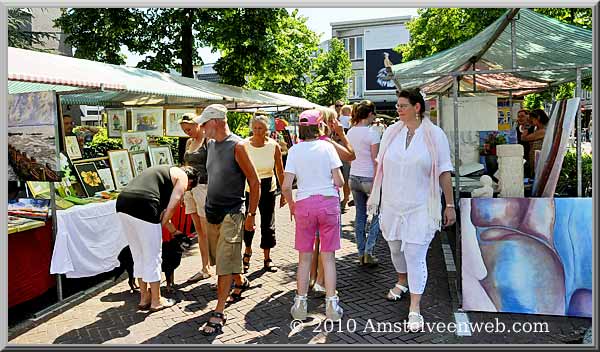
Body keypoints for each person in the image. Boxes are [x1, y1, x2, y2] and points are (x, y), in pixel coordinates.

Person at [367, 88, 455, 332]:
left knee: (415, 255)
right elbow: (381, 166)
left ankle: (414, 308)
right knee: (395, 247)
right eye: (397, 106)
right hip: (393, 204)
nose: (398, 109)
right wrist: (375, 195)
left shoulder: (435, 135)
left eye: (402, 105)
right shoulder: (391, 133)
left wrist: (449, 204)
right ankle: (401, 281)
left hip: (421, 206)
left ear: (417, 108)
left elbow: (444, 171)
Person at [194, 104, 260, 336]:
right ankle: (239, 281)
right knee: (222, 258)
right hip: (212, 212)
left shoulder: (238, 146)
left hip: (233, 213)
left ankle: (219, 312)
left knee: (223, 262)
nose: (201, 128)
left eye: (204, 124)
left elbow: (254, 182)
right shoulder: (210, 145)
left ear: (217, 121)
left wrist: (251, 215)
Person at [282, 109, 345, 321]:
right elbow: (339, 181)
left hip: (305, 205)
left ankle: (300, 305)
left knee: (304, 258)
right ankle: (332, 307)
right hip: (327, 203)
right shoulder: (328, 147)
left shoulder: (294, 151)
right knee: (328, 258)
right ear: (319, 126)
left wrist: (292, 205)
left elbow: (286, 186)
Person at [116, 165, 199, 312]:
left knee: (138, 254)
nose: (186, 190)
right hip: (145, 205)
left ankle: (144, 297)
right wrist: (162, 224)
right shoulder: (183, 176)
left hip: (123, 203)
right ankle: (156, 300)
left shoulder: (163, 173)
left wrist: (174, 231)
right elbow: (173, 204)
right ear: (190, 179)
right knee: (153, 255)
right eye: (189, 188)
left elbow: (161, 211)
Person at [309, 107, 355, 296]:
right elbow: (351, 156)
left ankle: (312, 277)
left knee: (314, 241)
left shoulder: (304, 143)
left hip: (308, 198)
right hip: (327, 197)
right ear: (329, 123)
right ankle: (320, 281)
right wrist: (342, 135)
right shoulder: (327, 143)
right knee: (327, 242)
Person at [242, 112, 286, 273]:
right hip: (249, 187)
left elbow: (280, 170)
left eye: (261, 128)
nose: (257, 131)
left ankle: (267, 257)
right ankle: (247, 251)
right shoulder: (244, 145)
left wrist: (284, 193)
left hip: (268, 185)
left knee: (268, 223)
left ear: (266, 129)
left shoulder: (273, 145)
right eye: (255, 128)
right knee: (248, 221)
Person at [173, 113, 213, 283]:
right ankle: (205, 268)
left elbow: (213, 166)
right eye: (184, 130)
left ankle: (218, 268)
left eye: (189, 129)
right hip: (190, 189)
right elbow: (185, 165)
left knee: (208, 231)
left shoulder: (207, 142)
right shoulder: (189, 143)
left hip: (203, 188)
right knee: (199, 232)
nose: (187, 132)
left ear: (197, 125)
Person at [346, 100, 381, 266]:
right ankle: (369, 250)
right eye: (373, 113)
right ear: (369, 114)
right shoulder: (372, 133)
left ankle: (360, 253)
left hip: (354, 177)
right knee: (378, 214)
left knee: (360, 215)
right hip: (369, 178)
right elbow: (376, 160)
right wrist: (377, 181)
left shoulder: (351, 132)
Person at [521, 109, 549, 179]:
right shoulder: (536, 128)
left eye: (531, 118)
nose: (530, 121)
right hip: (534, 158)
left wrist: (526, 126)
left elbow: (524, 138)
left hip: (540, 159)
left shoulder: (543, 131)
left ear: (538, 117)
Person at [515, 109, 535, 178]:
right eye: (518, 116)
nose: (520, 118)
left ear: (528, 117)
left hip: (529, 155)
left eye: (522, 116)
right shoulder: (517, 129)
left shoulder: (532, 128)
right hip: (520, 156)